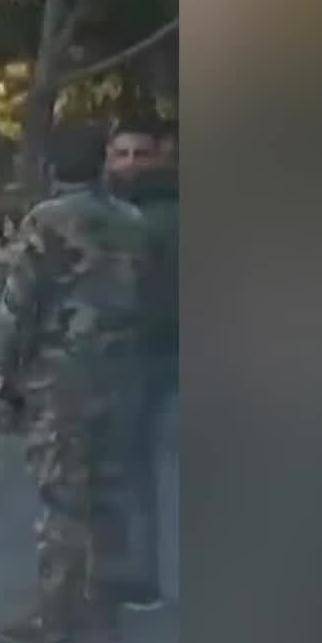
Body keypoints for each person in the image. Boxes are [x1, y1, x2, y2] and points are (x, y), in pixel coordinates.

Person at [0, 124, 152, 643]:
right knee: (108, 490)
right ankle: (102, 605)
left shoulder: (47, 220)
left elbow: (17, 309)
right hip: (121, 373)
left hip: (60, 376)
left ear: (54, 168)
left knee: (62, 495)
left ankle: (56, 615)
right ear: (102, 163)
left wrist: (5, 377)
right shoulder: (133, 222)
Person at [114, 143, 179, 614]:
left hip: (146, 350)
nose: (130, 164)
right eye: (121, 154)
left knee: (135, 467)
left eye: (140, 154)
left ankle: (141, 581)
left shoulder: (127, 221)